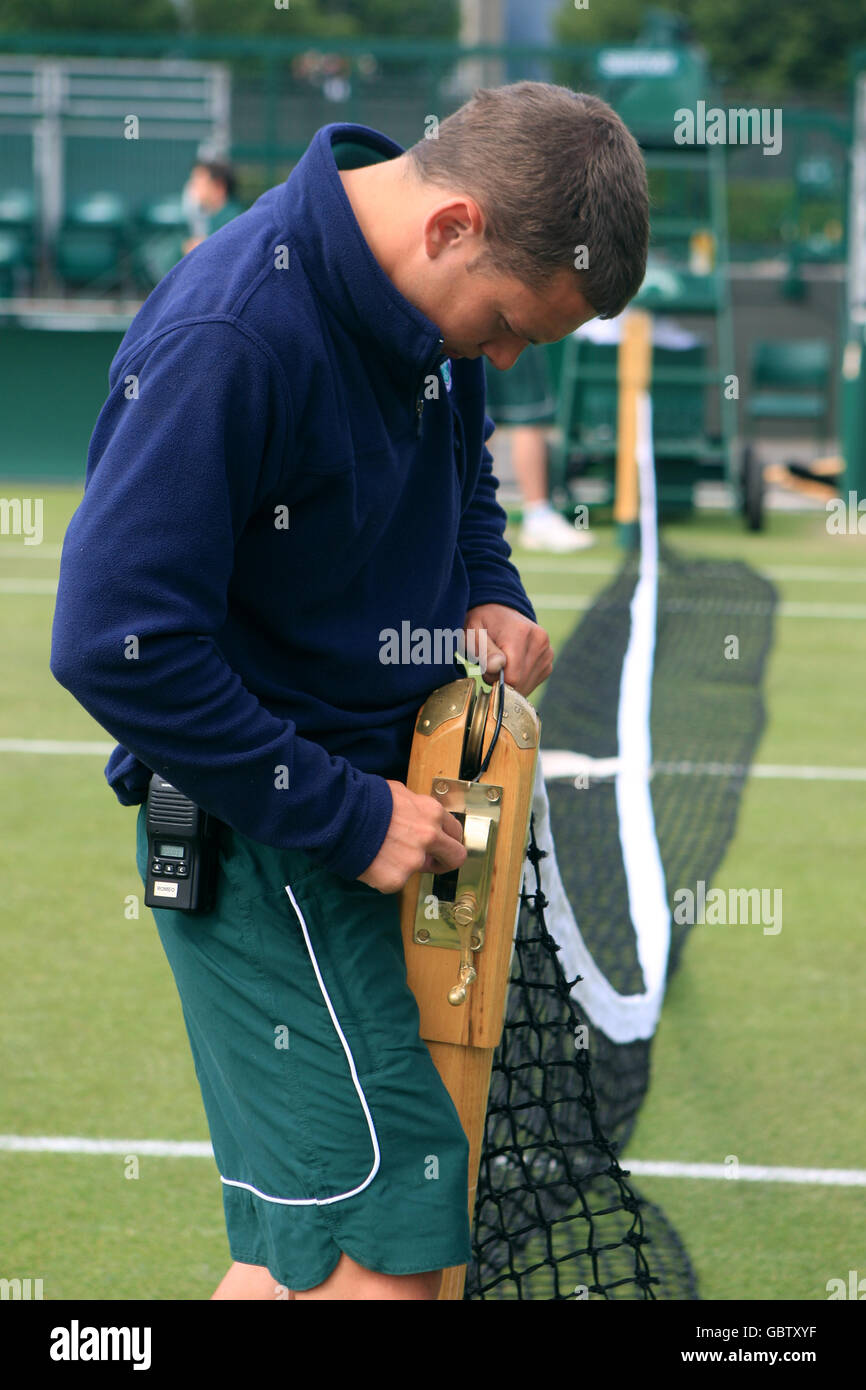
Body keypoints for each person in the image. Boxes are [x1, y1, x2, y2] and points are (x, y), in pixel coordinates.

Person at [49, 82, 648, 1301]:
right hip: (263, 838)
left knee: (313, 1244)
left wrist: (493, 588)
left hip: (383, 819)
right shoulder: (232, 333)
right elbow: (113, 640)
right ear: (452, 225)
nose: (501, 358)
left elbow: (464, 477)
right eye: (505, 327)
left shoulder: (428, 314)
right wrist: (347, 814)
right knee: (394, 1237)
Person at [484, 345, 595, 551]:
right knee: (526, 419)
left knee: (481, 417)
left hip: (477, 328)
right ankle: (537, 515)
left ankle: (481, 516)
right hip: (510, 326)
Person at [181, 157, 243, 254]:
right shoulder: (207, 217)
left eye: (198, 181)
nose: (192, 186)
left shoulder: (234, 222)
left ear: (219, 187)